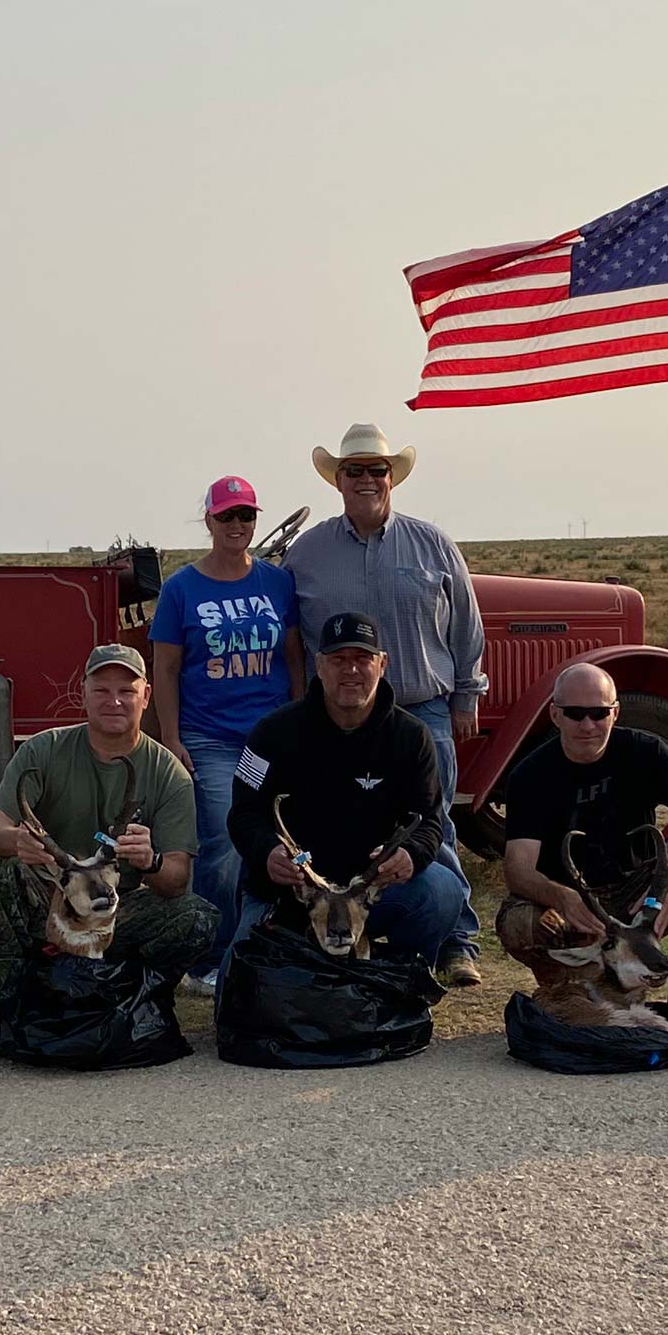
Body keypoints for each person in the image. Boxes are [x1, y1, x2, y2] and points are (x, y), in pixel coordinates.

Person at [282, 422, 487, 986]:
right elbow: (292, 636)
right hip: (336, 719)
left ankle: (456, 940)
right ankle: (338, 927)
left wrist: (468, 690)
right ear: (338, 481)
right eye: (355, 471)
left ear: (391, 477)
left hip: (422, 710)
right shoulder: (308, 552)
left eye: (377, 469)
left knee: (434, 828)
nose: (367, 479)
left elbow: (467, 623)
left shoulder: (432, 543)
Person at [495, 662, 668, 1045]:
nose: (588, 725)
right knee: (519, 921)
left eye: (598, 713)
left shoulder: (644, 751)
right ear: (555, 715)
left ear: (615, 712)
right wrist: (560, 896)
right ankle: (571, 995)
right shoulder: (531, 774)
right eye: (576, 714)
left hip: (639, 892)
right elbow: (518, 870)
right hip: (576, 904)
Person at [0, 644, 215, 1000]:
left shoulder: (169, 773)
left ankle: (135, 997)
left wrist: (151, 862)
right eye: (101, 690)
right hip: (52, 898)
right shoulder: (43, 750)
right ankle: (9, 1002)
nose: (114, 701)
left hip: (115, 906)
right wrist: (16, 839)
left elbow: (177, 879)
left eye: (126, 691)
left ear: (145, 696)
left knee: (198, 917)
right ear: (82, 694)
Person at [226, 613, 462, 970]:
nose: (350, 670)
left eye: (361, 659)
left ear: (382, 664)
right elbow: (242, 813)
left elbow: (428, 820)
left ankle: (397, 976)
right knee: (237, 995)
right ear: (319, 666)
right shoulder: (271, 733)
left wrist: (411, 854)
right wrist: (267, 852)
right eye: (338, 660)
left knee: (441, 893)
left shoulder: (412, 737)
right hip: (292, 896)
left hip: (369, 893)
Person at [150, 476, 306, 993]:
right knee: (222, 839)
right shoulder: (181, 589)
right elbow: (166, 670)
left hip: (269, 736)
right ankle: (209, 958)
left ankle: (264, 939)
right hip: (211, 737)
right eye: (227, 517)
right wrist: (172, 739)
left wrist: (302, 719)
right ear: (210, 522)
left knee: (280, 835)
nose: (238, 526)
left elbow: (292, 657)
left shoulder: (276, 583)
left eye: (247, 516)